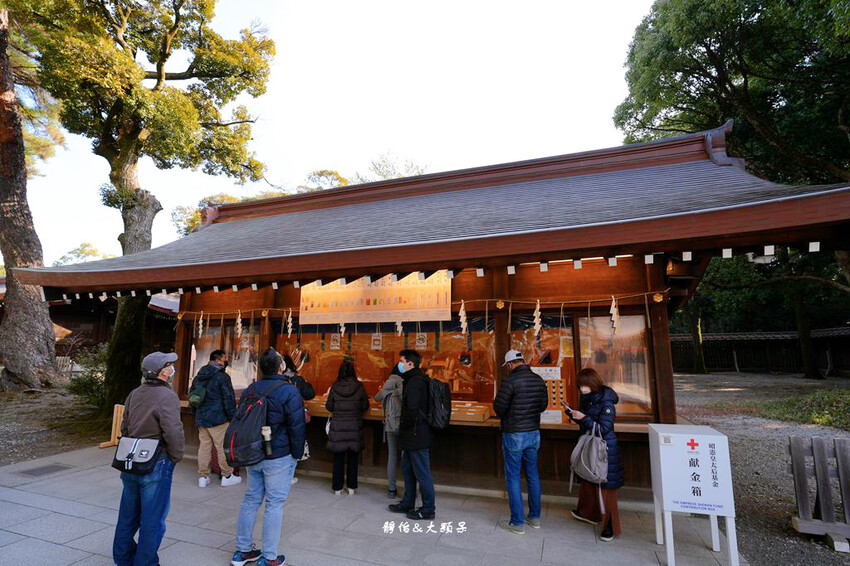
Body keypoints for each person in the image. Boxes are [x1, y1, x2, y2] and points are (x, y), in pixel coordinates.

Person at [231, 348, 306, 566]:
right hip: (279, 455)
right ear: (281, 367)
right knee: (274, 504)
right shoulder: (289, 391)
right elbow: (297, 426)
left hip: (254, 453)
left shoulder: (251, 389)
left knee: (250, 500)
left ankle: (242, 551)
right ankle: (269, 557)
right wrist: (297, 454)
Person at [113, 351, 185, 566]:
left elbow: (125, 426)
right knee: (152, 520)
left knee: (127, 517)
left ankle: (123, 559)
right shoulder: (167, 396)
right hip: (156, 459)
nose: (172, 368)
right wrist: (176, 455)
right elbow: (173, 430)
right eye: (170, 365)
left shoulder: (135, 393)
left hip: (131, 458)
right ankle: (145, 562)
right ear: (162, 372)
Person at [562, 367, 624, 542]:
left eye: (584, 385)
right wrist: (570, 412)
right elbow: (585, 423)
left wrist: (584, 418)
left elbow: (604, 428)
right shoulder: (587, 398)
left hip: (605, 449)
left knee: (606, 488)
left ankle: (609, 526)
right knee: (589, 480)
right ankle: (588, 513)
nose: (582, 388)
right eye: (580, 385)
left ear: (593, 383)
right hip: (590, 446)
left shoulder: (607, 401)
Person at [493, 349, 549, 534]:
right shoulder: (538, 380)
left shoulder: (510, 381)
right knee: (532, 475)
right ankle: (535, 517)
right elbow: (543, 406)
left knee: (513, 477)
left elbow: (499, 408)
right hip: (533, 433)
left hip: (514, 434)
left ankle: (517, 522)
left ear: (510, 364)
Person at [388, 349, 435, 520]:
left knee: (422, 473)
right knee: (407, 470)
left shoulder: (415, 382)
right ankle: (408, 502)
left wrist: (404, 424)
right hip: (412, 434)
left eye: (402, 361)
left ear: (410, 363)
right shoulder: (414, 379)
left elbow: (412, 409)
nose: (400, 364)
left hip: (416, 434)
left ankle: (428, 509)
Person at [192, 349, 240, 488]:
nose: (225, 361)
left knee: (204, 447)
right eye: (224, 359)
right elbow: (228, 399)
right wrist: (233, 418)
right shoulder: (222, 377)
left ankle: (203, 477)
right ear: (218, 360)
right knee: (222, 447)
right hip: (218, 419)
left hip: (202, 417)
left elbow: (193, 396)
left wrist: (197, 413)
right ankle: (227, 475)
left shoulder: (199, 375)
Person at [325, 358, 370, 495]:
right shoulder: (359, 386)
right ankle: (351, 487)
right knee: (353, 458)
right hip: (354, 426)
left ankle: (337, 488)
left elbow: (329, 406)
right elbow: (365, 406)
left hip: (338, 427)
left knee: (338, 458)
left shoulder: (335, 386)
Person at [282, 354, 315, 486]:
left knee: (281, 445)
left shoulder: (275, 380)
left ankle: (281, 475)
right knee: (293, 445)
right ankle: (289, 475)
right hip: (295, 418)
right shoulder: (297, 381)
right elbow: (310, 394)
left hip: (278, 419)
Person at [374, 364, 404, 498]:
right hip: (404, 425)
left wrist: (382, 390)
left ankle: (392, 489)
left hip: (390, 425)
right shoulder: (406, 383)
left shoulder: (388, 384)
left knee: (392, 457)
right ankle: (409, 490)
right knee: (406, 458)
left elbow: (377, 398)